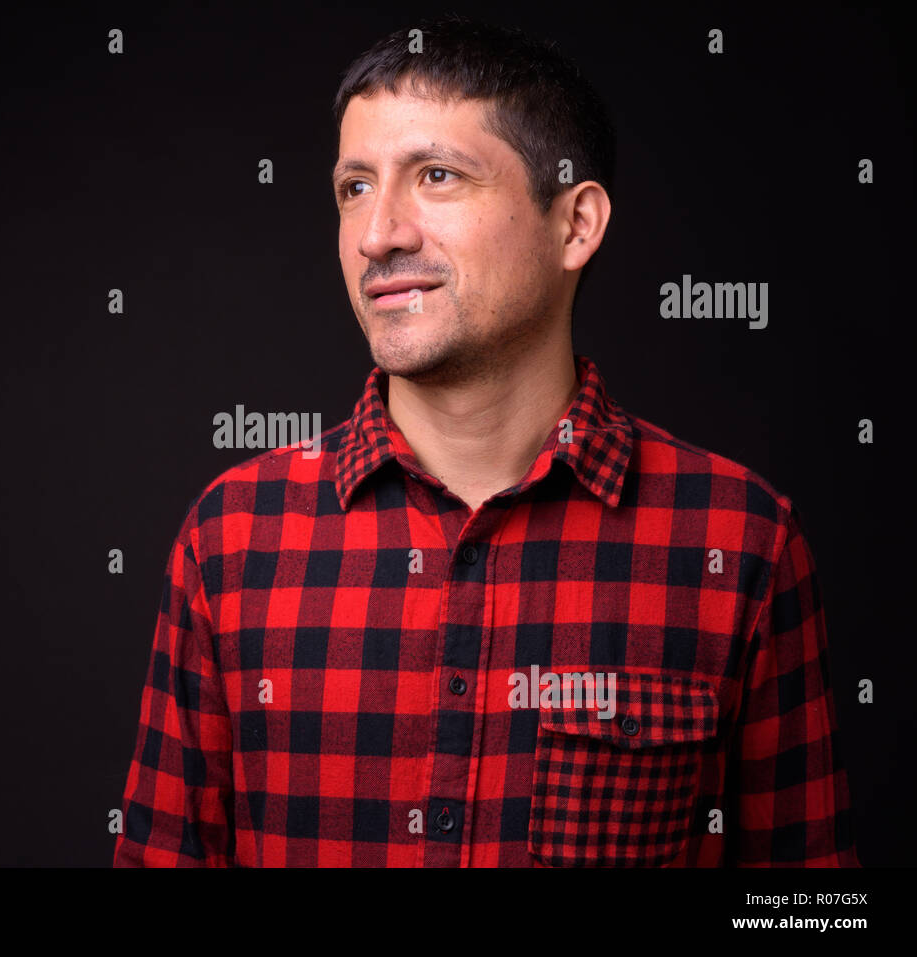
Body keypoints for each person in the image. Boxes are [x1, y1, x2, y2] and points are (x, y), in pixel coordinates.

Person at [113, 15, 860, 867]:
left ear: (575, 224)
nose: (377, 233)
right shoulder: (233, 537)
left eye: (436, 175)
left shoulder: (740, 543)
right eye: (354, 187)